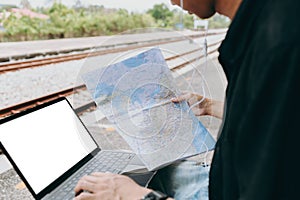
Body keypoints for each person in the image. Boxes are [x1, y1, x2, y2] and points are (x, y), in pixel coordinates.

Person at [74, 0, 300, 199]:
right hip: (226, 181)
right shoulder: (268, 23)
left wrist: (137, 196)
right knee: (164, 170)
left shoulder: (279, 46)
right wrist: (209, 106)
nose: (173, 3)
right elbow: (265, 116)